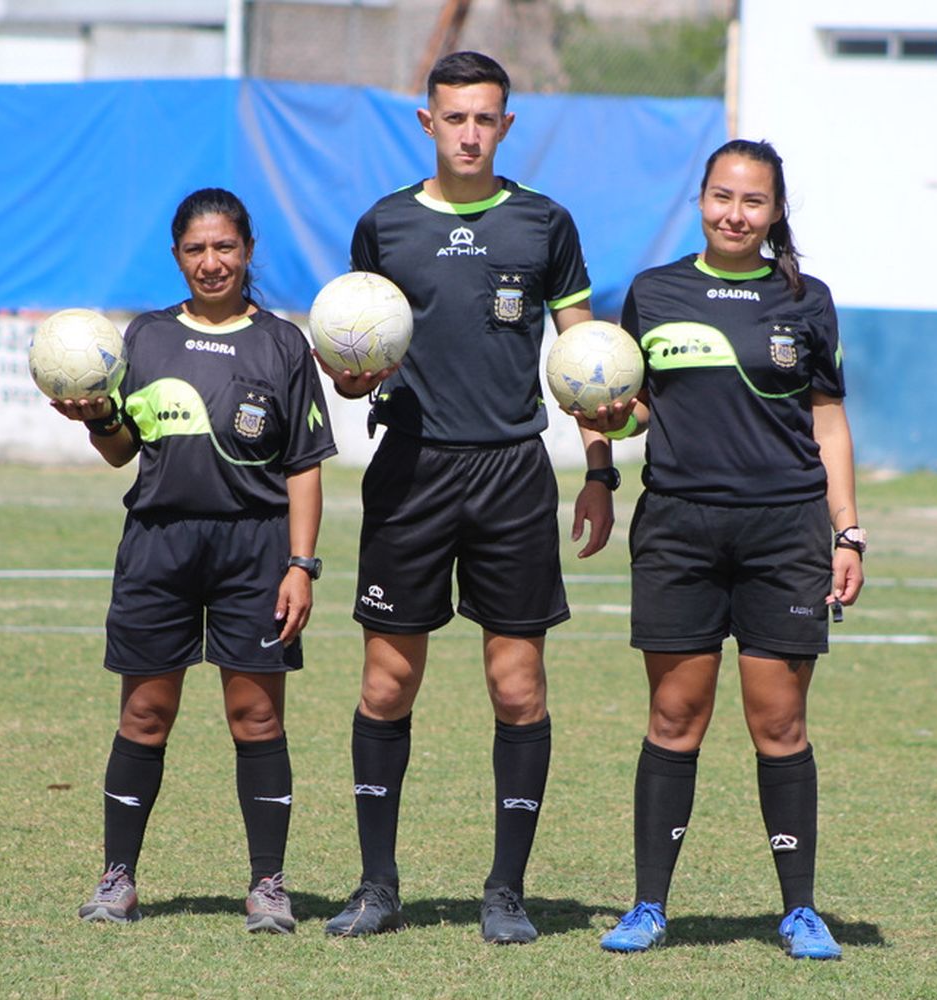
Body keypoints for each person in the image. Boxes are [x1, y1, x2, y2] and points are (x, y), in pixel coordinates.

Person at [314, 51, 611, 945]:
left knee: (517, 688)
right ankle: (376, 885)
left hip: (513, 474)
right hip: (410, 470)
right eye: (455, 118)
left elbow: (586, 360)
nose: (470, 133)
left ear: (507, 125)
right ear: (428, 123)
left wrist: (599, 470)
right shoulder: (386, 226)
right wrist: (353, 376)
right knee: (387, 682)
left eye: (486, 118)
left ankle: (506, 892)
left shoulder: (544, 224)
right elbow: (359, 349)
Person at [584, 139, 862, 958]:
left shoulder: (806, 300)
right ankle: (648, 908)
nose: (735, 214)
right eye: (721, 197)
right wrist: (604, 435)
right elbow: (636, 408)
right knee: (675, 716)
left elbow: (828, 420)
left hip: (785, 531)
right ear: (701, 199)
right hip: (678, 529)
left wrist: (848, 529)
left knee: (779, 722)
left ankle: (800, 910)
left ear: (776, 212)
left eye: (753, 202)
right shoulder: (655, 291)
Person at [53, 187, 336, 932]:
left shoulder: (282, 344)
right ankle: (118, 878)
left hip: (256, 548)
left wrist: (300, 565)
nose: (211, 263)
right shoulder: (142, 339)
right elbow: (120, 452)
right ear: (176, 257)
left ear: (247, 252)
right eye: (195, 250)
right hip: (159, 546)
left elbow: (304, 464)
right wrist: (98, 416)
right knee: (146, 713)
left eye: (225, 248)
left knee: (255, 715)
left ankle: (269, 885)